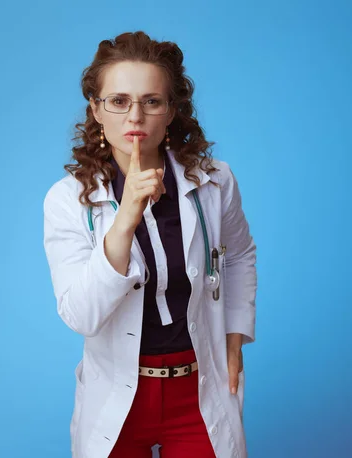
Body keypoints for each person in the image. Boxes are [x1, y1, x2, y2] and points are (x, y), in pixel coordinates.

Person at [43, 31, 257, 458]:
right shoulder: (67, 200)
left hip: (197, 390)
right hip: (119, 396)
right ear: (96, 111)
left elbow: (240, 255)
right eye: (118, 101)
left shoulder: (214, 182)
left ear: (171, 111)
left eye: (152, 102)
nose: (135, 116)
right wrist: (125, 219)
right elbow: (81, 315)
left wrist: (235, 336)